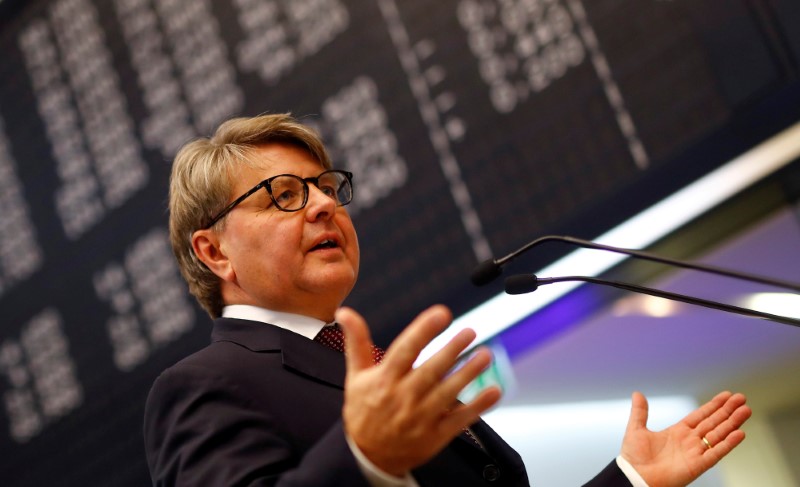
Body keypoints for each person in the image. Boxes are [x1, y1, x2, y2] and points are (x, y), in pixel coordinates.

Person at [144, 113, 752, 486]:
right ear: (214, 252)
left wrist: (631, 480)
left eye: (326, 188)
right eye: (283, 195)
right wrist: (367, 460)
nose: (325, 204)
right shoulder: (203, 386)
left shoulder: (371, 367)